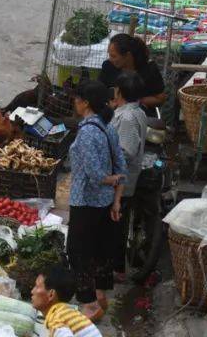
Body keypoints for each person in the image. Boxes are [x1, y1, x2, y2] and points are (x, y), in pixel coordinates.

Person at [67, 82, 125, 321]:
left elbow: (95, 174)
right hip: (105, 203)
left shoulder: (88, 132)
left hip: (85, 201)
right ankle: (100, 293)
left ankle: (88, 303)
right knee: (99, 248)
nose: (74, 103)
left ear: (86, 102)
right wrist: (117, 201)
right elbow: (121, 166)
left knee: (78, 251)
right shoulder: (107, 127)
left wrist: (109, 179)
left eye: (77, 98)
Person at [110, 71, 148, 280]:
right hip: (125, 178)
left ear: (120, 91)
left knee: (117, 225)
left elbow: (127, 150)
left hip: (121, 180)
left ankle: (117, 268)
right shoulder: (136, 112)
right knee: (119, 224)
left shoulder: (126, 117)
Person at [99, 34, 168, 113]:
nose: (110, 59)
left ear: (127, 55)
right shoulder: (108, 66)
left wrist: (133, 101)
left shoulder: (149, 69)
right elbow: (100, 91)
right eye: (109, 55)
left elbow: (160, 99)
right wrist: (110, 103)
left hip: (140, 114)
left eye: (114, 56)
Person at [31, 266, 101, 337]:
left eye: (37, 287)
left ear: (51, 294)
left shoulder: (57, 318)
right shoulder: (65, 312)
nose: (32, 291)